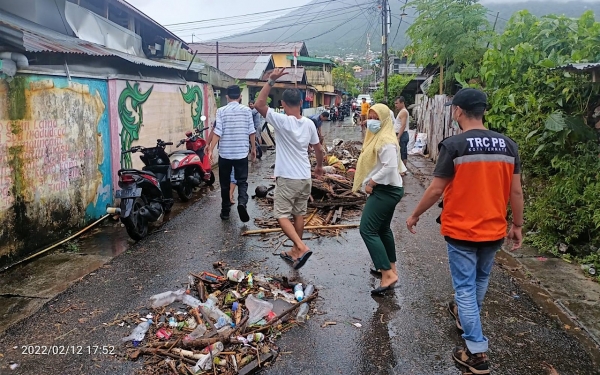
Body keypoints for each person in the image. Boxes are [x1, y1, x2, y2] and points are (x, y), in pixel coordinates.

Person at [405, 88, 524, 375]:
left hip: (462, 230)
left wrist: (415, 214)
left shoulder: (455, 145)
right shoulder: (508, 145)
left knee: (465, 288)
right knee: (479, 280)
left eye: (453, 109)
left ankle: (476, 352)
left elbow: (436, 189)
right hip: (494, 230)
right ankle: (464, 316)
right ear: (483, 111)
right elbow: (516, 191)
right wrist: (517, 225)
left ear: (458, 111)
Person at [255, 68, 325, 270]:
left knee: (281, 215)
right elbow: (318, 148)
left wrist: (271, 81)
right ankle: (295, 251)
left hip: (288, 177)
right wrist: (319, 167)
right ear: (302, 103)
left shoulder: (281, 120)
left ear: (283, 104)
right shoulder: (310, 124)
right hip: (304, 177)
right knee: (299, 214)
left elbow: (259, 104)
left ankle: (301, 247)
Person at [352, 103, 404, 295]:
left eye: (376, 117)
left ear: (384, 120)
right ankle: (391, 269)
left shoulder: (386, 141)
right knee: (382, 229)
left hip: (385, 191)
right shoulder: (379, 137)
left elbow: (390, 168)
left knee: (367, 229)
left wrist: (371, 183)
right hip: (389, 189)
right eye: (370, 116)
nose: (371, 121)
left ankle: (387, 273)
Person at [207, 85, 256, 222]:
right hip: (241, 152)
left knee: (224, 184)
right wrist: (253, 148)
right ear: (240, 96)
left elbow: (218, 131)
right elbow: (251, 131)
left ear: (227, 97)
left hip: (225, 154)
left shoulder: (221, 111)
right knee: (242, 181)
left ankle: (225, 212)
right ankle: (242, 203)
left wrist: (211, 148)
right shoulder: (247, 111)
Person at [395, 97, 410, 172]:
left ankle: (403, 170)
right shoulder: (402, 111)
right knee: (401, 152)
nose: (396, 105)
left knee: (402, 152)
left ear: (402, 103)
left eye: (397, 103)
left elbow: (403, 125)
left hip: (402, 134)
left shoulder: (403, 112)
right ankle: (402, 169)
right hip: (402, 134)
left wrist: (398, 137)